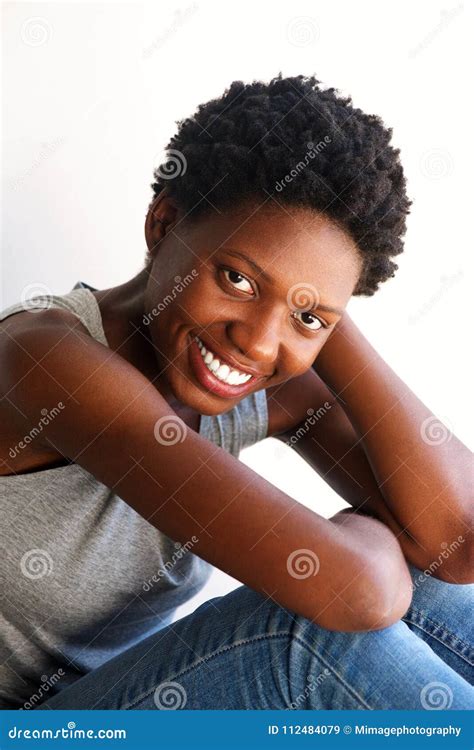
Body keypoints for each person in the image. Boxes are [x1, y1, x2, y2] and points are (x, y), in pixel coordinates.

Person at [0, 74, 472, 711]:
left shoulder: (258, 376)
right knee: (304, 634)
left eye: (309, 319)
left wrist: (310, 299)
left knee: (433, 586)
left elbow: (459, 542)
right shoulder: (44, 358)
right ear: (163, 223)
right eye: (237, 279)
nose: (254, 344)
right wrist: (367, 540)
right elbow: (358, 591)